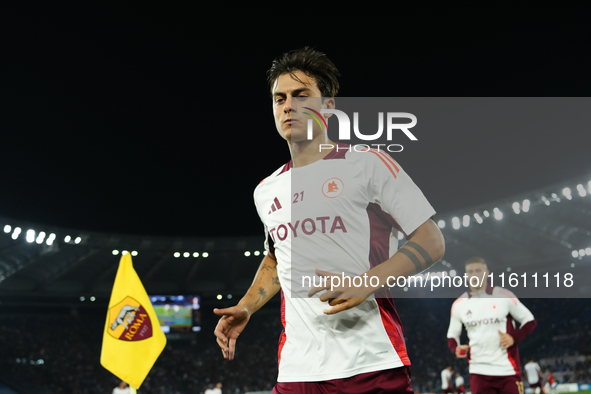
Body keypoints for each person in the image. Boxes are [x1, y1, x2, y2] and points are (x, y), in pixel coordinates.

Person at [213, 47, 445, 393]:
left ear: (329, 106)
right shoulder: (266, 190)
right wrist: (247, 306)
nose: (288, 105)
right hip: (297, 370)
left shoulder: (367, 164)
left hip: (370, 363)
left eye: (301, 95)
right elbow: (278, 258)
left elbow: (431, 240)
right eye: (279, 98)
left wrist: (369, 280)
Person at [447, 257, 537, 394]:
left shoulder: (504, 295)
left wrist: (514, 337)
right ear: (466, 275)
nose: (474, 274)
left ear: (487, 273)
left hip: (508, 370)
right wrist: (456, 348)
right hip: (478, 371)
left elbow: (530, 321)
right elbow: (452, 336)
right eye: (470, 272)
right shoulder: (459, 304)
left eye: (478, 270)